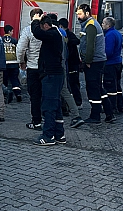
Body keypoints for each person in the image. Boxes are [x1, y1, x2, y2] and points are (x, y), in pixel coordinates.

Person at [30, 14, 66, 145]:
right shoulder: (55, 34)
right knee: (56, 106)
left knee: (49, 106)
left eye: (41, 26)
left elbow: (37, 33)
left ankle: (48, 135)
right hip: (55, 74)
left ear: (45, 25)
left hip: (51, 75)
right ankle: (59, 134)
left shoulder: (51, 34)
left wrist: (35, 20)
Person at [76, 4, 114, 124]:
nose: (78, 16)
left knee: (92, 88)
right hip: (97, 61)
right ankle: (109, 113)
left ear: (87, 13)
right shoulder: (90, 24)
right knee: (98, 87)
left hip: (94, 62)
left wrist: (87, 61)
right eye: (77, 14)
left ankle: (95, 115)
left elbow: (90, 45)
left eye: (80, 14)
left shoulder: (91, 25)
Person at [17, 8, 44, 130]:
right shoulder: (49, 29)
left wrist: (21, 61)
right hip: (47, 68)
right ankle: (47, 118)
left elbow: (21, 48)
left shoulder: (28, 31)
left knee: (34, 95)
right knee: (46, 94)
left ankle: (36, 120)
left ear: (31, 17)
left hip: (33, 67)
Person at [58, 18, 82, 108]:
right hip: (70, 62)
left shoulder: (69, 34)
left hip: (72, 63)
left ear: (60, 26)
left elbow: (77, 41)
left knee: (73, 83)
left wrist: (68, 41)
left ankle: (78, 102)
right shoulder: (65, 34)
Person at [102, 17, 123, 114]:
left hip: (110, 64)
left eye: (103, 23)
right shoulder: (117, 33)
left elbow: (108, 51)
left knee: (110, 86)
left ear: (108, 25)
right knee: (117, 85)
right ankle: (120, 105)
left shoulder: (110, 35)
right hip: (118, 62)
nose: (102, 25)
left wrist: (102, 58)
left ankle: (111, 107)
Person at [2, 25, 22, 103]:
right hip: (14, 63)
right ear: (9, 31)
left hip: (4, 64)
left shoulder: (0, 40)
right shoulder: (15, 40)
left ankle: (5, 94)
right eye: (12, 31)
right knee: (14, 80)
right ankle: (18, 94)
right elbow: (19, 51)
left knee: (4, 80)